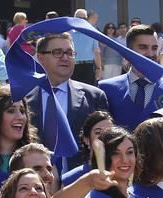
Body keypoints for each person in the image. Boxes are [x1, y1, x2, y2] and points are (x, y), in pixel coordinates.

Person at [26, 32, 111, 168]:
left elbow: (106, 143)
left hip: (80, 181)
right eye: (57, 52)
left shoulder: (94, 97)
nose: (65, 58)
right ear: (40, 58)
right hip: (34, 182)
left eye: (70, 53)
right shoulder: (23, 99)